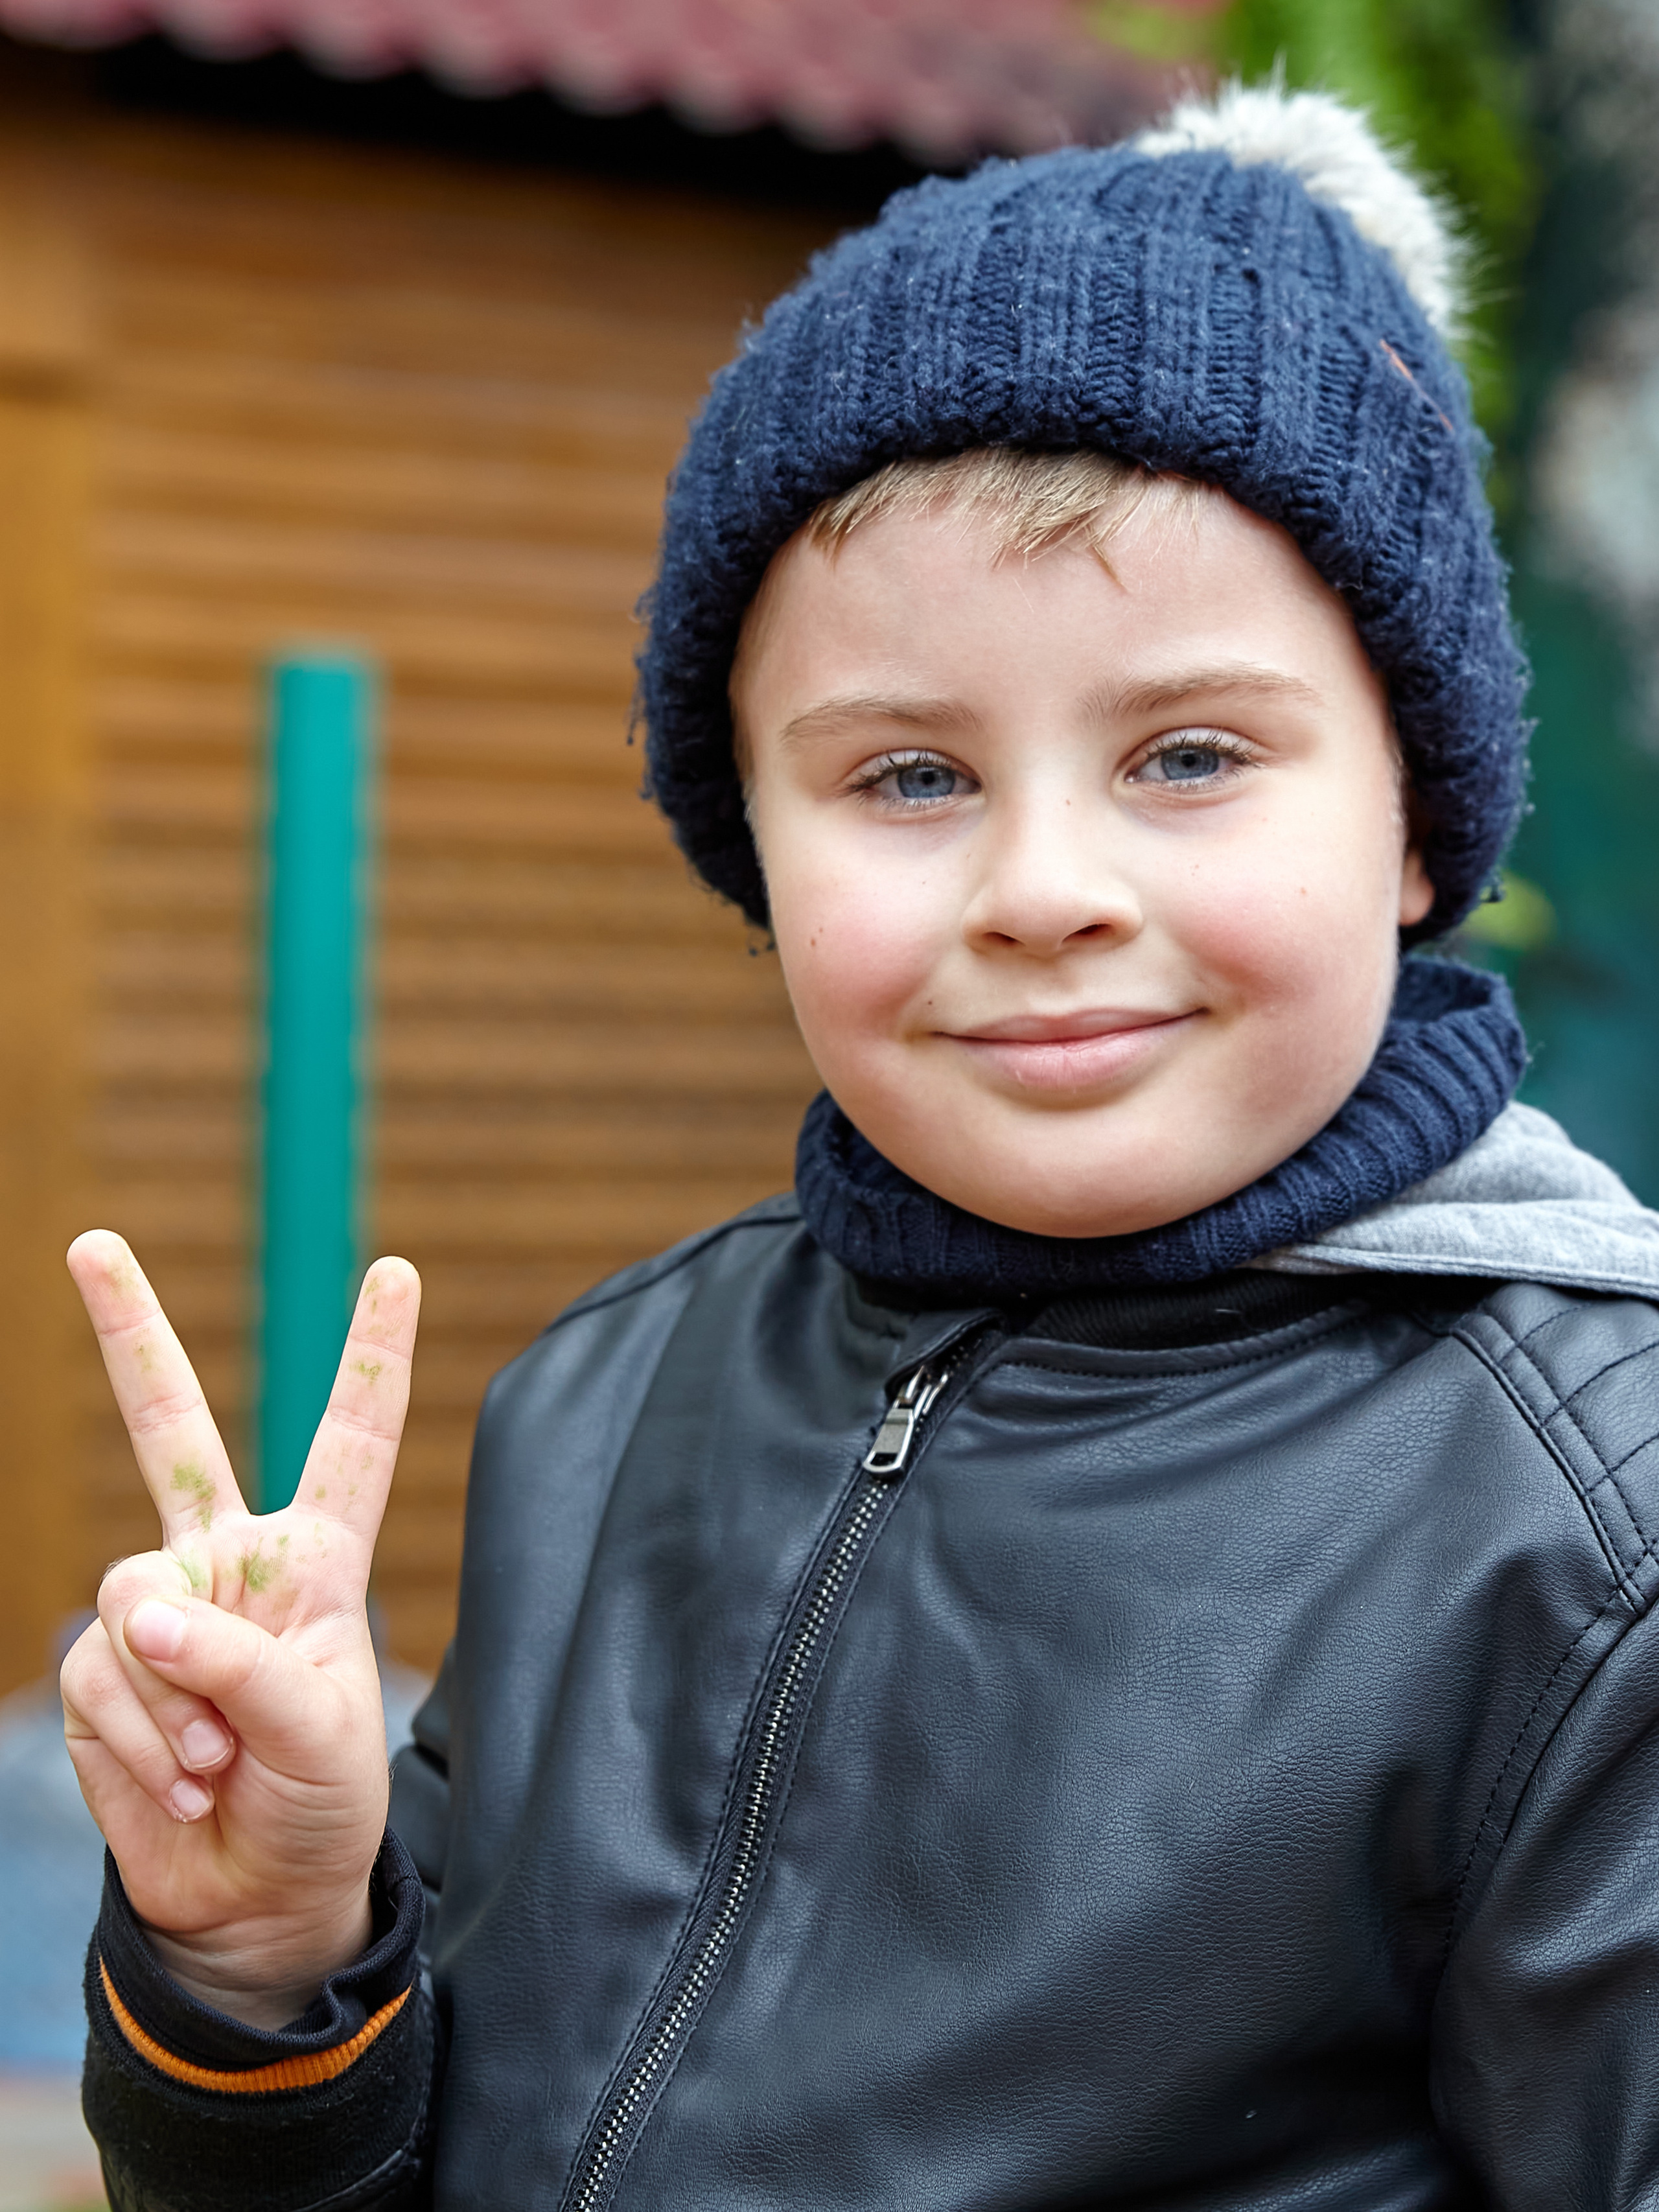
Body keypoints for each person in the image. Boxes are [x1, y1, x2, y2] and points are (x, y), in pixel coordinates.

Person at [60, 82, 1659, 2212]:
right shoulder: (615, 1394)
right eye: (909, 775)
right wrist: (264, 1957)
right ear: (758, 848)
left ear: (1422, 824)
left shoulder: (1589, 1532)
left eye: (1188, 753)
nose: (1043, 886)